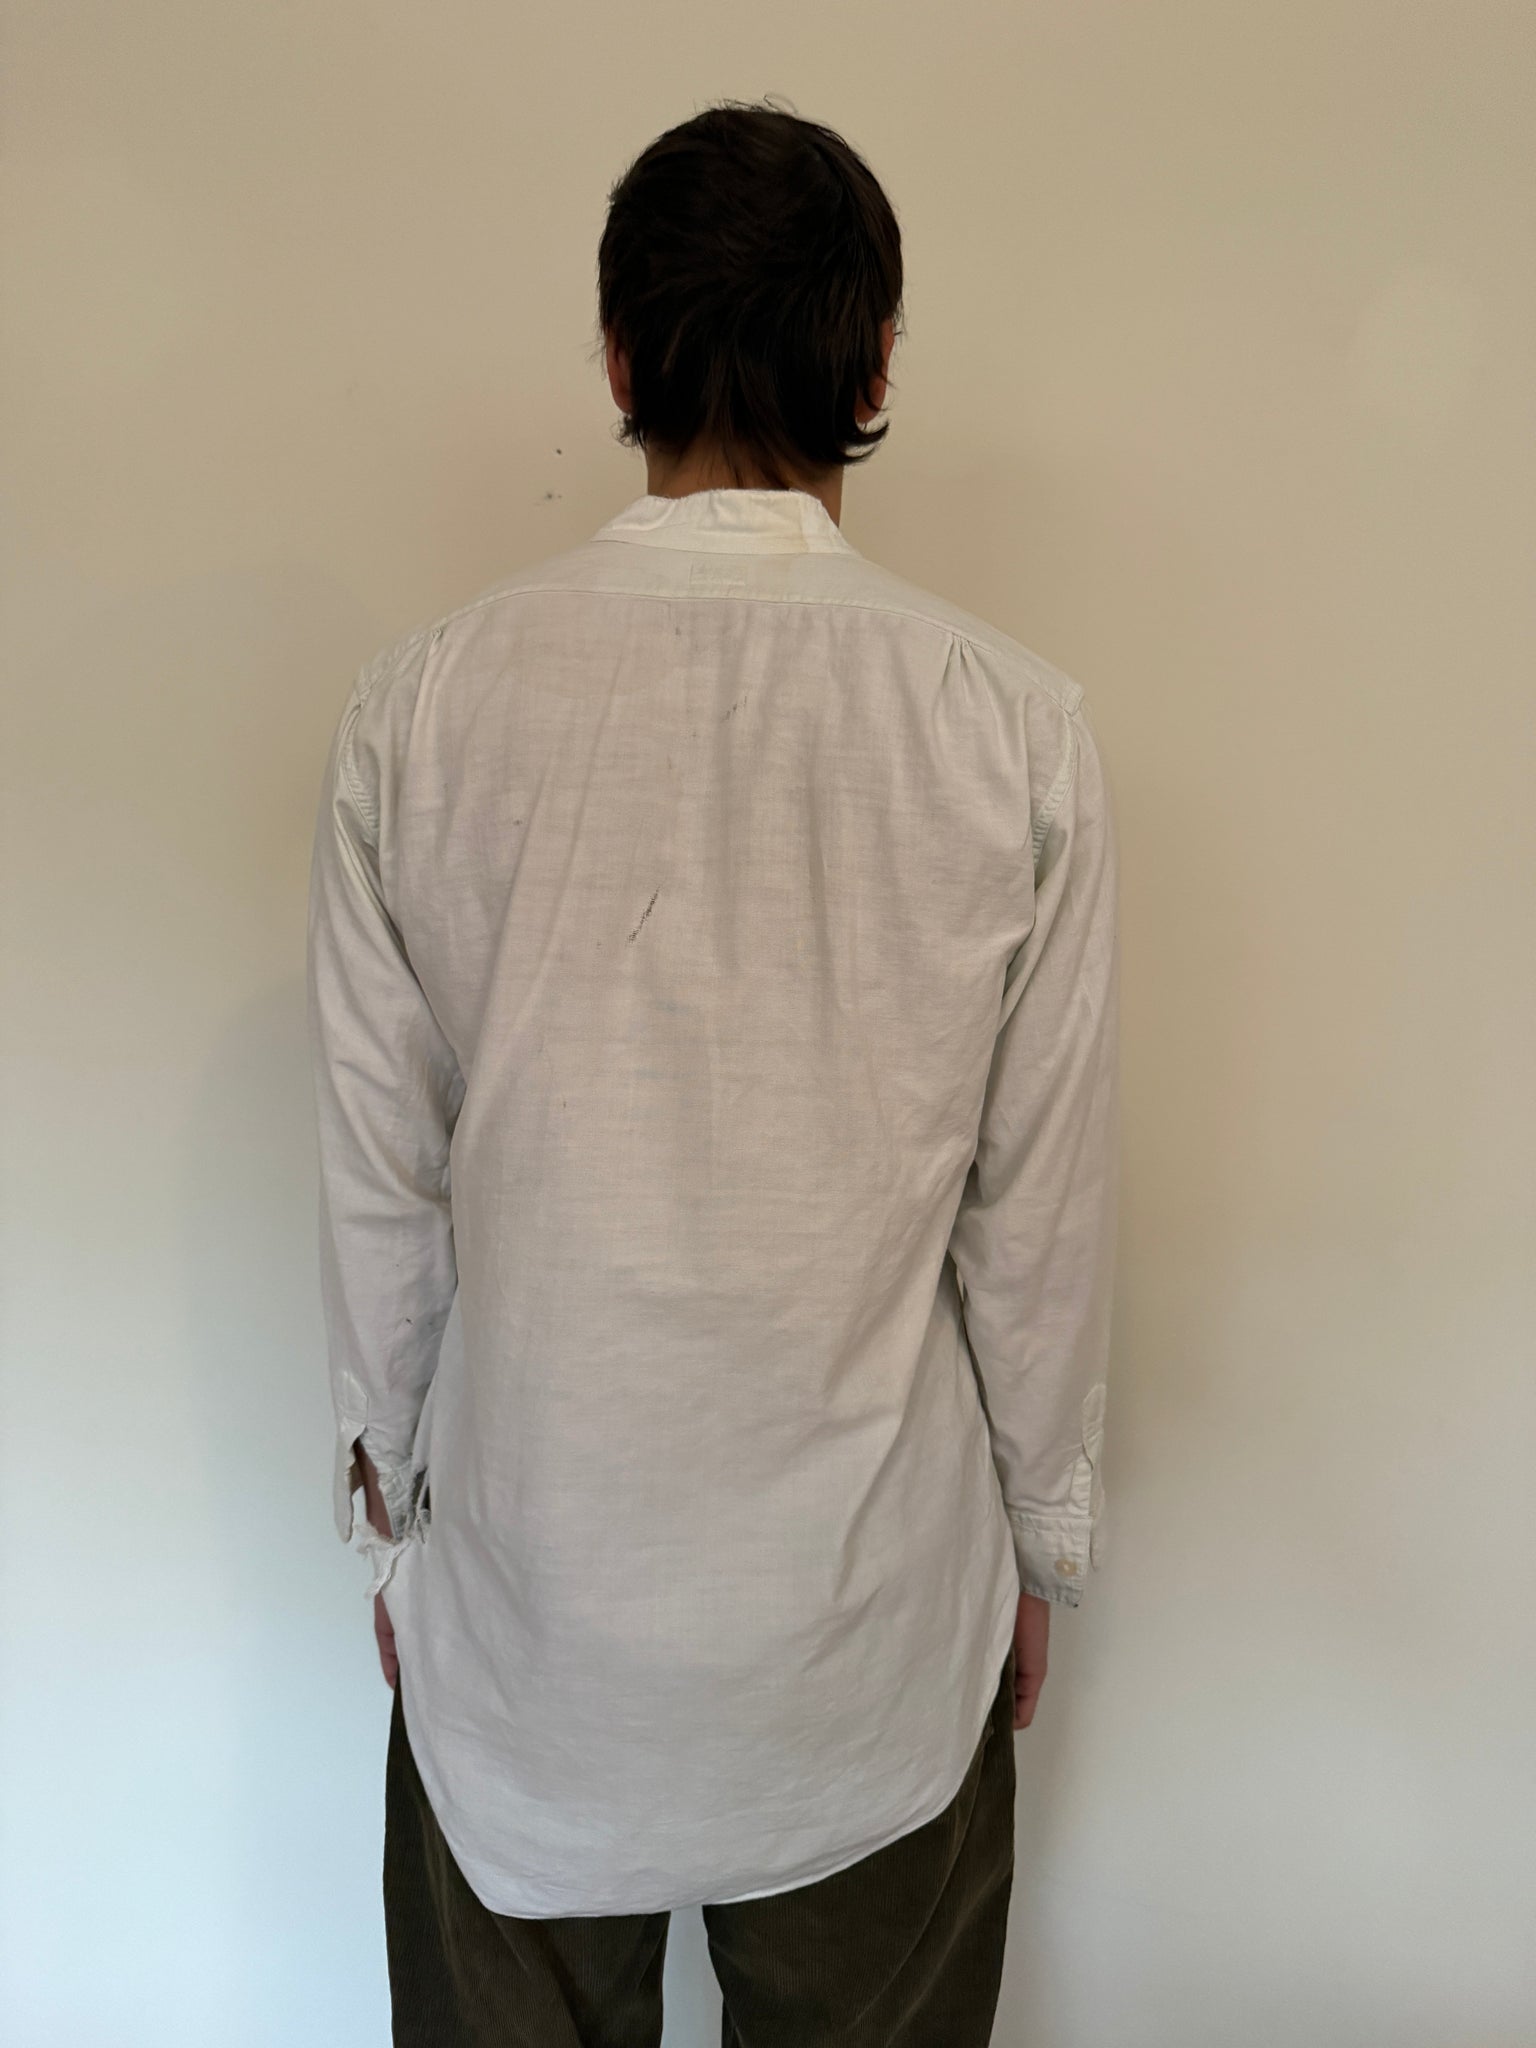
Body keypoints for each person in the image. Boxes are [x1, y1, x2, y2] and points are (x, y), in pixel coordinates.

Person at [306, 97, 1120, 2048]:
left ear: (617, 362)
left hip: (528, 1636)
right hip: (873, 1646)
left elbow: (377, 1180)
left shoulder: (423, 711)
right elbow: (1039, 1214)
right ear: (876, 366)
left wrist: (388, 1521)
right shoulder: (1014, 730)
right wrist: (1043, 1538)